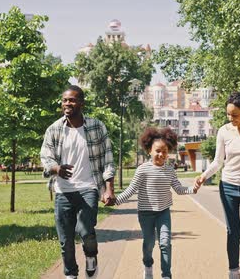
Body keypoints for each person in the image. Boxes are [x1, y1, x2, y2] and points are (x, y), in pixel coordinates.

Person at [40, 85, 116, 279]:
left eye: (72, 100)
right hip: (62, 191)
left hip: (88, 188)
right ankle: (71, 274)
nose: (67, 103)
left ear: (81, 103)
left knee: (86, 231)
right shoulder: (54, 129)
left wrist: (109, 189)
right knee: (65, 242)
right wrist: (56, 168)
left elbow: (108, 158)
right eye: (65, 100)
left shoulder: (97, 127)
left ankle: (91, 258)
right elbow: (46, 157)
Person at [195, 92, 240, 279]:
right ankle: (233, 270)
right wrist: (203, 176)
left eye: (235, 115)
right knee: (233, 232)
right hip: (228, 186)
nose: (231, 118)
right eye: (228, 114)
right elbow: (217, 162)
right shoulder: (224, 131)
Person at [113, 127, 198, 279]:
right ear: (149, 150)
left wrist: (192, 189)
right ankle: (148, 264)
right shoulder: (142, 170)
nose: (161, 154)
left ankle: (166, 275)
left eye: (165, 151)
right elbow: (131, 190)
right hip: (145, 213)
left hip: (164, 212)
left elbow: (178, 189)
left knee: (165, 243)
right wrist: (115, 200)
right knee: (149, 243)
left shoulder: (170, 169)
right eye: (158, 150)